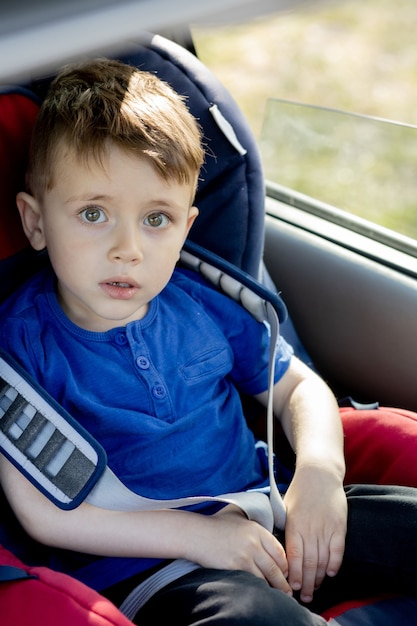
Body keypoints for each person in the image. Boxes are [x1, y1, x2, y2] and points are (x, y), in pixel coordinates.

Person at [0, 58, 417, 626]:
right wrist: (201, 539)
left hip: (271, 514)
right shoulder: (21, 347)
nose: (129, 249)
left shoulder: (200, 301)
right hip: (151, 570)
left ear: (187, 226)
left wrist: (319, 475)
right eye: (93, 214)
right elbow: (44, 516)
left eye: (156, 220)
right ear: (36, 222)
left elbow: (297, 386)